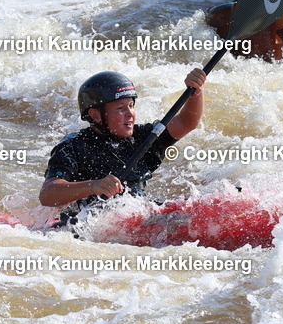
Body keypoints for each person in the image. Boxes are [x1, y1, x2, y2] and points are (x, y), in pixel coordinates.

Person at [39, 69, 206, 225]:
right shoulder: (73, 146)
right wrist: (93, 186)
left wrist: (195, 93)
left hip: (141, 215)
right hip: (93, 223)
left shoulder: (142, 137)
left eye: (131, 106)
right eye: (120, 108)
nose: (130, 113)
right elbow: (47, 195)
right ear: (96, 115)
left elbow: (186, 122)